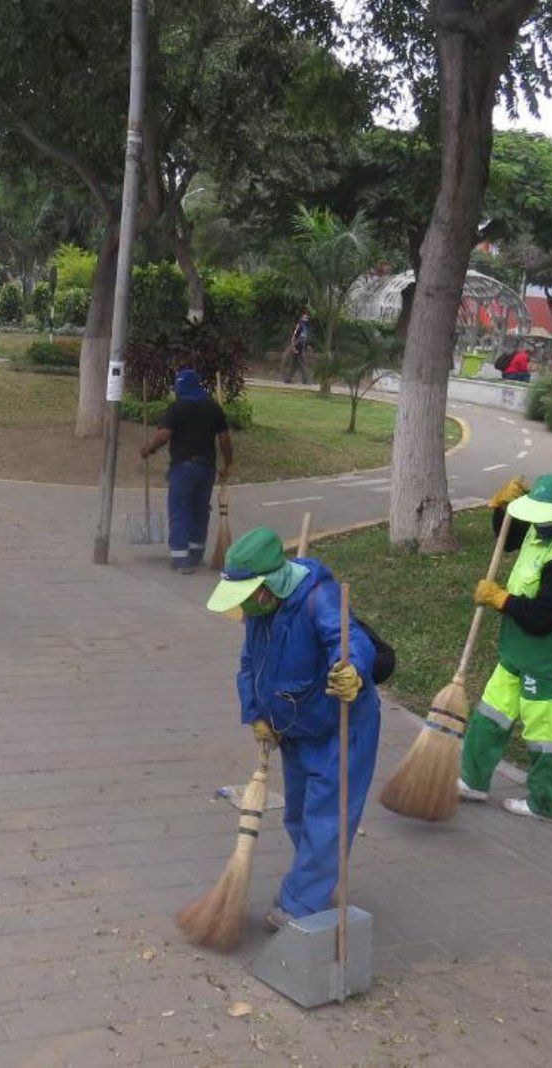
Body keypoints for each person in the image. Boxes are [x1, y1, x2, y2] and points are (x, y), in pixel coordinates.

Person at [208, 526, 381, 929]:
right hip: (293, 728)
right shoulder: (259, 611)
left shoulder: (319, 600)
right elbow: (250, 664)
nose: (244, 608)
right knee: (299, 815)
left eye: (248, 597)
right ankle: (319, 881)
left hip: (340, 727)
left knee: (326, 818)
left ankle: (302, 904)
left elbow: (350, 638)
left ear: (268, 585)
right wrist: (257, 714)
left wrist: (352, 669)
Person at [459, 474, 552, 822]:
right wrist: (503, 509)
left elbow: (543, 618)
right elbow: (508, 539)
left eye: (539, 515)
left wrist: (501, 599)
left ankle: (544, 803)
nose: (535, 520)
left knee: (545, 733)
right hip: (519, 649)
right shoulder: (545, 525)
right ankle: (472, 781)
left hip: (549, 655)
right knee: (491, 713)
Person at [138, 369, 233, 574]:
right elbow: (224, 439)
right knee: (200, 510)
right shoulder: (213, 408)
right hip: (206, 469)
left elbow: (164, 435)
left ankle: (181, 560)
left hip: (183, 468)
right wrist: (228, 462)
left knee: (180, 510)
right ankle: (196, 554)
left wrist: (149, 447)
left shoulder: (177, 408)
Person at [282, 310, 312, 385]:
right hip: (297, 348)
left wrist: (307, 345)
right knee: (302, 364)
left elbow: (305, 338)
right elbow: (294, 336)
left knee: (294, 365)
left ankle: (288, 379)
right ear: (301, 318)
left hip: (301, 348)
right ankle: (305, 380)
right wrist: (293, 347)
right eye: (304, 317)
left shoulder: (305, 327)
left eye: (307, 317)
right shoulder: (299, 326)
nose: (306, 319)